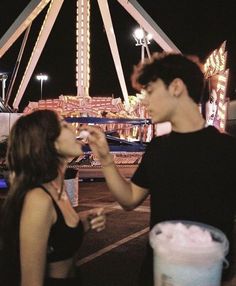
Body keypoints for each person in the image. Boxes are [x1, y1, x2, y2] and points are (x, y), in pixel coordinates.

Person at [84, 52, 236, 285]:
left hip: (211, 276)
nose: (144, 101)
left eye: (151, 91)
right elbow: (129, 199)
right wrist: (105, 157)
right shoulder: (158, 147)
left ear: (176, 87)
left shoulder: (227, 149)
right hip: (157, 274)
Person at [0, 109, 106, 286]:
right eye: (64, 125)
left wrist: (86, 220)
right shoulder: (38, 199)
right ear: (51, 143)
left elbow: (57, 235)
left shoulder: (58, 188)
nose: (74, 129)